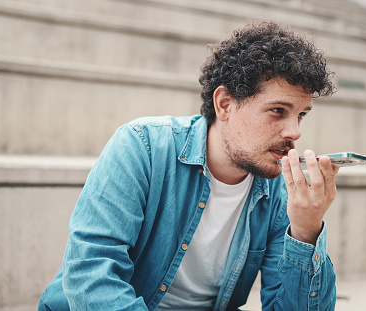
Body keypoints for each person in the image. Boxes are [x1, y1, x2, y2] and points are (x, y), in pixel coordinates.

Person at [38, 21, 339, 311]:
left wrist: (305, 229)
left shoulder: (278, 187)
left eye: (301, 115)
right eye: (277, 111)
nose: (294, 132)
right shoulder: (143, 146)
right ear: (224, 104)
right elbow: (91, 275)